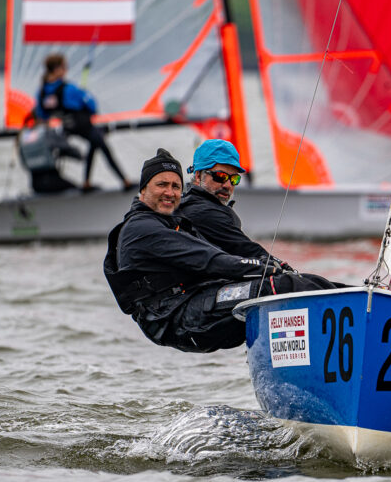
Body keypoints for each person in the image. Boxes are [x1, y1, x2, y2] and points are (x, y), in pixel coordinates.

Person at [104, 149, 342, 353]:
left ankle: (359, 302)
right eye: (162, 185)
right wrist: (265, 267)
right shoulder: (142, 227)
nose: (170, 192)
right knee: (279, 287)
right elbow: (211, 260)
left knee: (293, 286)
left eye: (176, 186)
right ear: (143, 189)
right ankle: (356, 312)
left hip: (189, 305)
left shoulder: (171, 222)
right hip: (176, 318)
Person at [175, 138, 292, 269]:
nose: (227, 185)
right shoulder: (200, 211)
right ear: (198, 176)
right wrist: (283, 267)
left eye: (234, 179)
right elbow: (244, 248)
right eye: (220, 176)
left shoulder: (204, 206)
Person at [35, 53, 133, 191]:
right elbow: (91, 105)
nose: (66, 70)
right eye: (64, 67)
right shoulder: (69, 88)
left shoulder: (42, 91)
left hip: (65, 128)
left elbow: (41, 115)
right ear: (57, 69)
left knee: (94, 143)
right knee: (103, 147)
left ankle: (86, 182)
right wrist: (85, 95)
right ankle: (125, 181)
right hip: (82, 125)